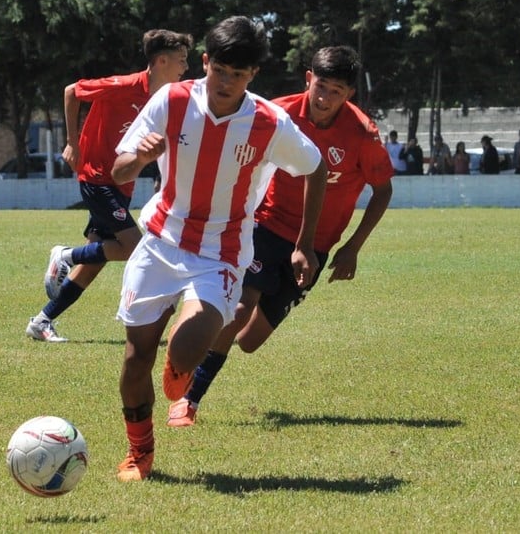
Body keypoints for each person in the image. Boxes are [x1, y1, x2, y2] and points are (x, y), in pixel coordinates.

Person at [110, 16, 328, 481]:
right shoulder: (170, 101)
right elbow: (120, 171)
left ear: (253, 76)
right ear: (205, 62)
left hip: (222, 251)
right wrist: (142, 157)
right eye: (220, 70)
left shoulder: (269, 122)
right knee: (134, 357)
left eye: (239, 74)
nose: (226, 82)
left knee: (188, 347)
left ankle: (182, 370)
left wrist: (305, 244)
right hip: (161, 240)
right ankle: (140, 452)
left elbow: (314, 167)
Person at [165, 45, 393, 428]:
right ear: (308, 79)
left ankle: (200, 327)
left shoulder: (362, 134)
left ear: (349, 94)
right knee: (237, 311)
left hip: (315, 247)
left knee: (249, 341)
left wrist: (351, 248)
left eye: (336, 91)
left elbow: (383, 190)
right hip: (265, 227)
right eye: (320, 86)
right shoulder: (278, 114)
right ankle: (189, 398)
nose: (324, 98)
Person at [26, 29, 194, 342]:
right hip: (97, 176)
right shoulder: (125, 85)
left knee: (96, 260)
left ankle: (41, 320)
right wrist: (72, 143)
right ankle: (65, 255)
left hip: (121, 185)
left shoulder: (168, 98)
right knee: (133, 247)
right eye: (181, 61)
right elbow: (71, 92)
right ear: (161, 61)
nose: (186, 67)